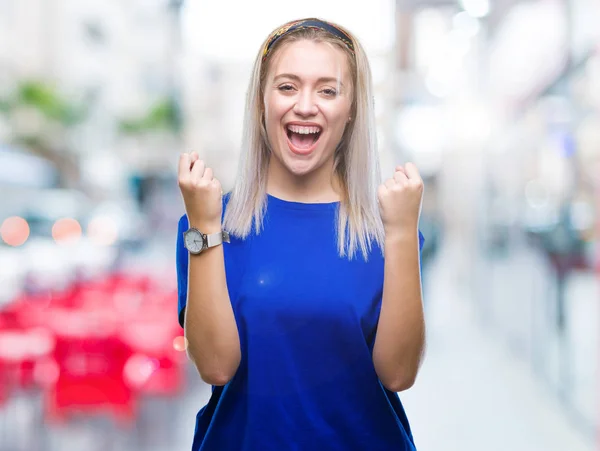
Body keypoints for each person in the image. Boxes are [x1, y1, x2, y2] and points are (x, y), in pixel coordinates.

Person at [176, 17, 426, 451]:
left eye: (327, 90)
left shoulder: (388, 227)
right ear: (261, 102)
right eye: (287, 86)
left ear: (351, 110)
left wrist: (404, 231)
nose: (306, 106)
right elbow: (216, 367)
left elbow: (399, 374)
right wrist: (204, 226)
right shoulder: (208, 223)